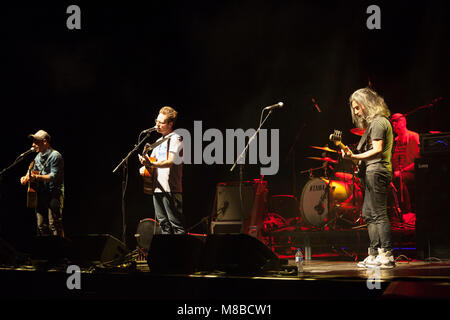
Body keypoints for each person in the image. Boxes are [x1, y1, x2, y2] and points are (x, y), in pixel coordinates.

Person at [342, 88, 395, 269]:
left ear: (367, 104)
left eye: (358, 108)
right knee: (369, 214)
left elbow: (378, 149)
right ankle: (374, 253)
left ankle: (387, 254)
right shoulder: (373, 125)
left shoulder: (380, 122)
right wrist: (351, 154)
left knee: (378, 213)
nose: (356, 112)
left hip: (378, 170)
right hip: (371, 171)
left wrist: (355, 158)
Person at [139, 106, 185, 234]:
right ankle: (168, 253)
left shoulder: (176, 138)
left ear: (170, 124)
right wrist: (145, 165)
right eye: (156, 121)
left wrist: (151, 165)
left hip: (171, 189)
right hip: (157, 188)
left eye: (161, 122)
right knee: (164, 226)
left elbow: (170, 162)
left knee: (176, 226)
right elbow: (152, 163)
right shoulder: (158, 142)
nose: (157, 124)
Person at [20, 130, 65, 237]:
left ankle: (59, 250)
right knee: (40, 225)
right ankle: (44, 251)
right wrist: (25, 178)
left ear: (44, 142)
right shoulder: (38, 156)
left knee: (53, 224)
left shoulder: (55, 156)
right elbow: (31, 169)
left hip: (54, 194)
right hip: (41, 194)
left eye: (36, 142)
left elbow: (53, 176)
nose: (33, 145)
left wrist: (36, 177)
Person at [390, 113, 420, 215]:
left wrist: (402, 171)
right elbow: (393, 161)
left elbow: (419, 160)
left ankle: (407, 212)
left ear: (404, 122)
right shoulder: (395, 141)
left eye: (396, 121)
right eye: (392, 122)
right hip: (399, 173)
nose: (393, 124)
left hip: (413, 172)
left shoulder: (414, 136)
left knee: (400, 178)